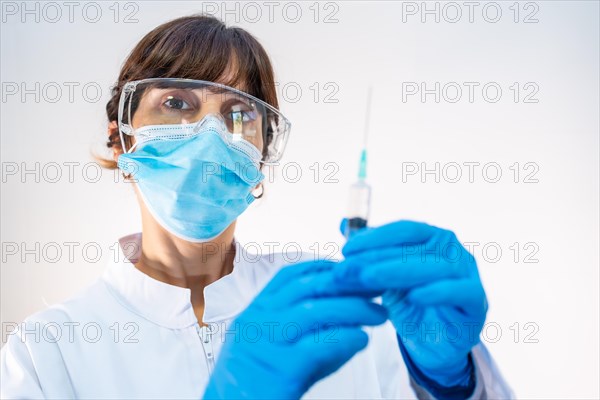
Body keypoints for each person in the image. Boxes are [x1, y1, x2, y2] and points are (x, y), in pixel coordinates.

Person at [1, 14, 513, 399]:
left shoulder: (337, 309)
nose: (209, 134)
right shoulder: (48, 353)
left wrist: (449, 380)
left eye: (238, 113)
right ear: (120, 139)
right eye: (176, 103)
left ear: (259, 162)